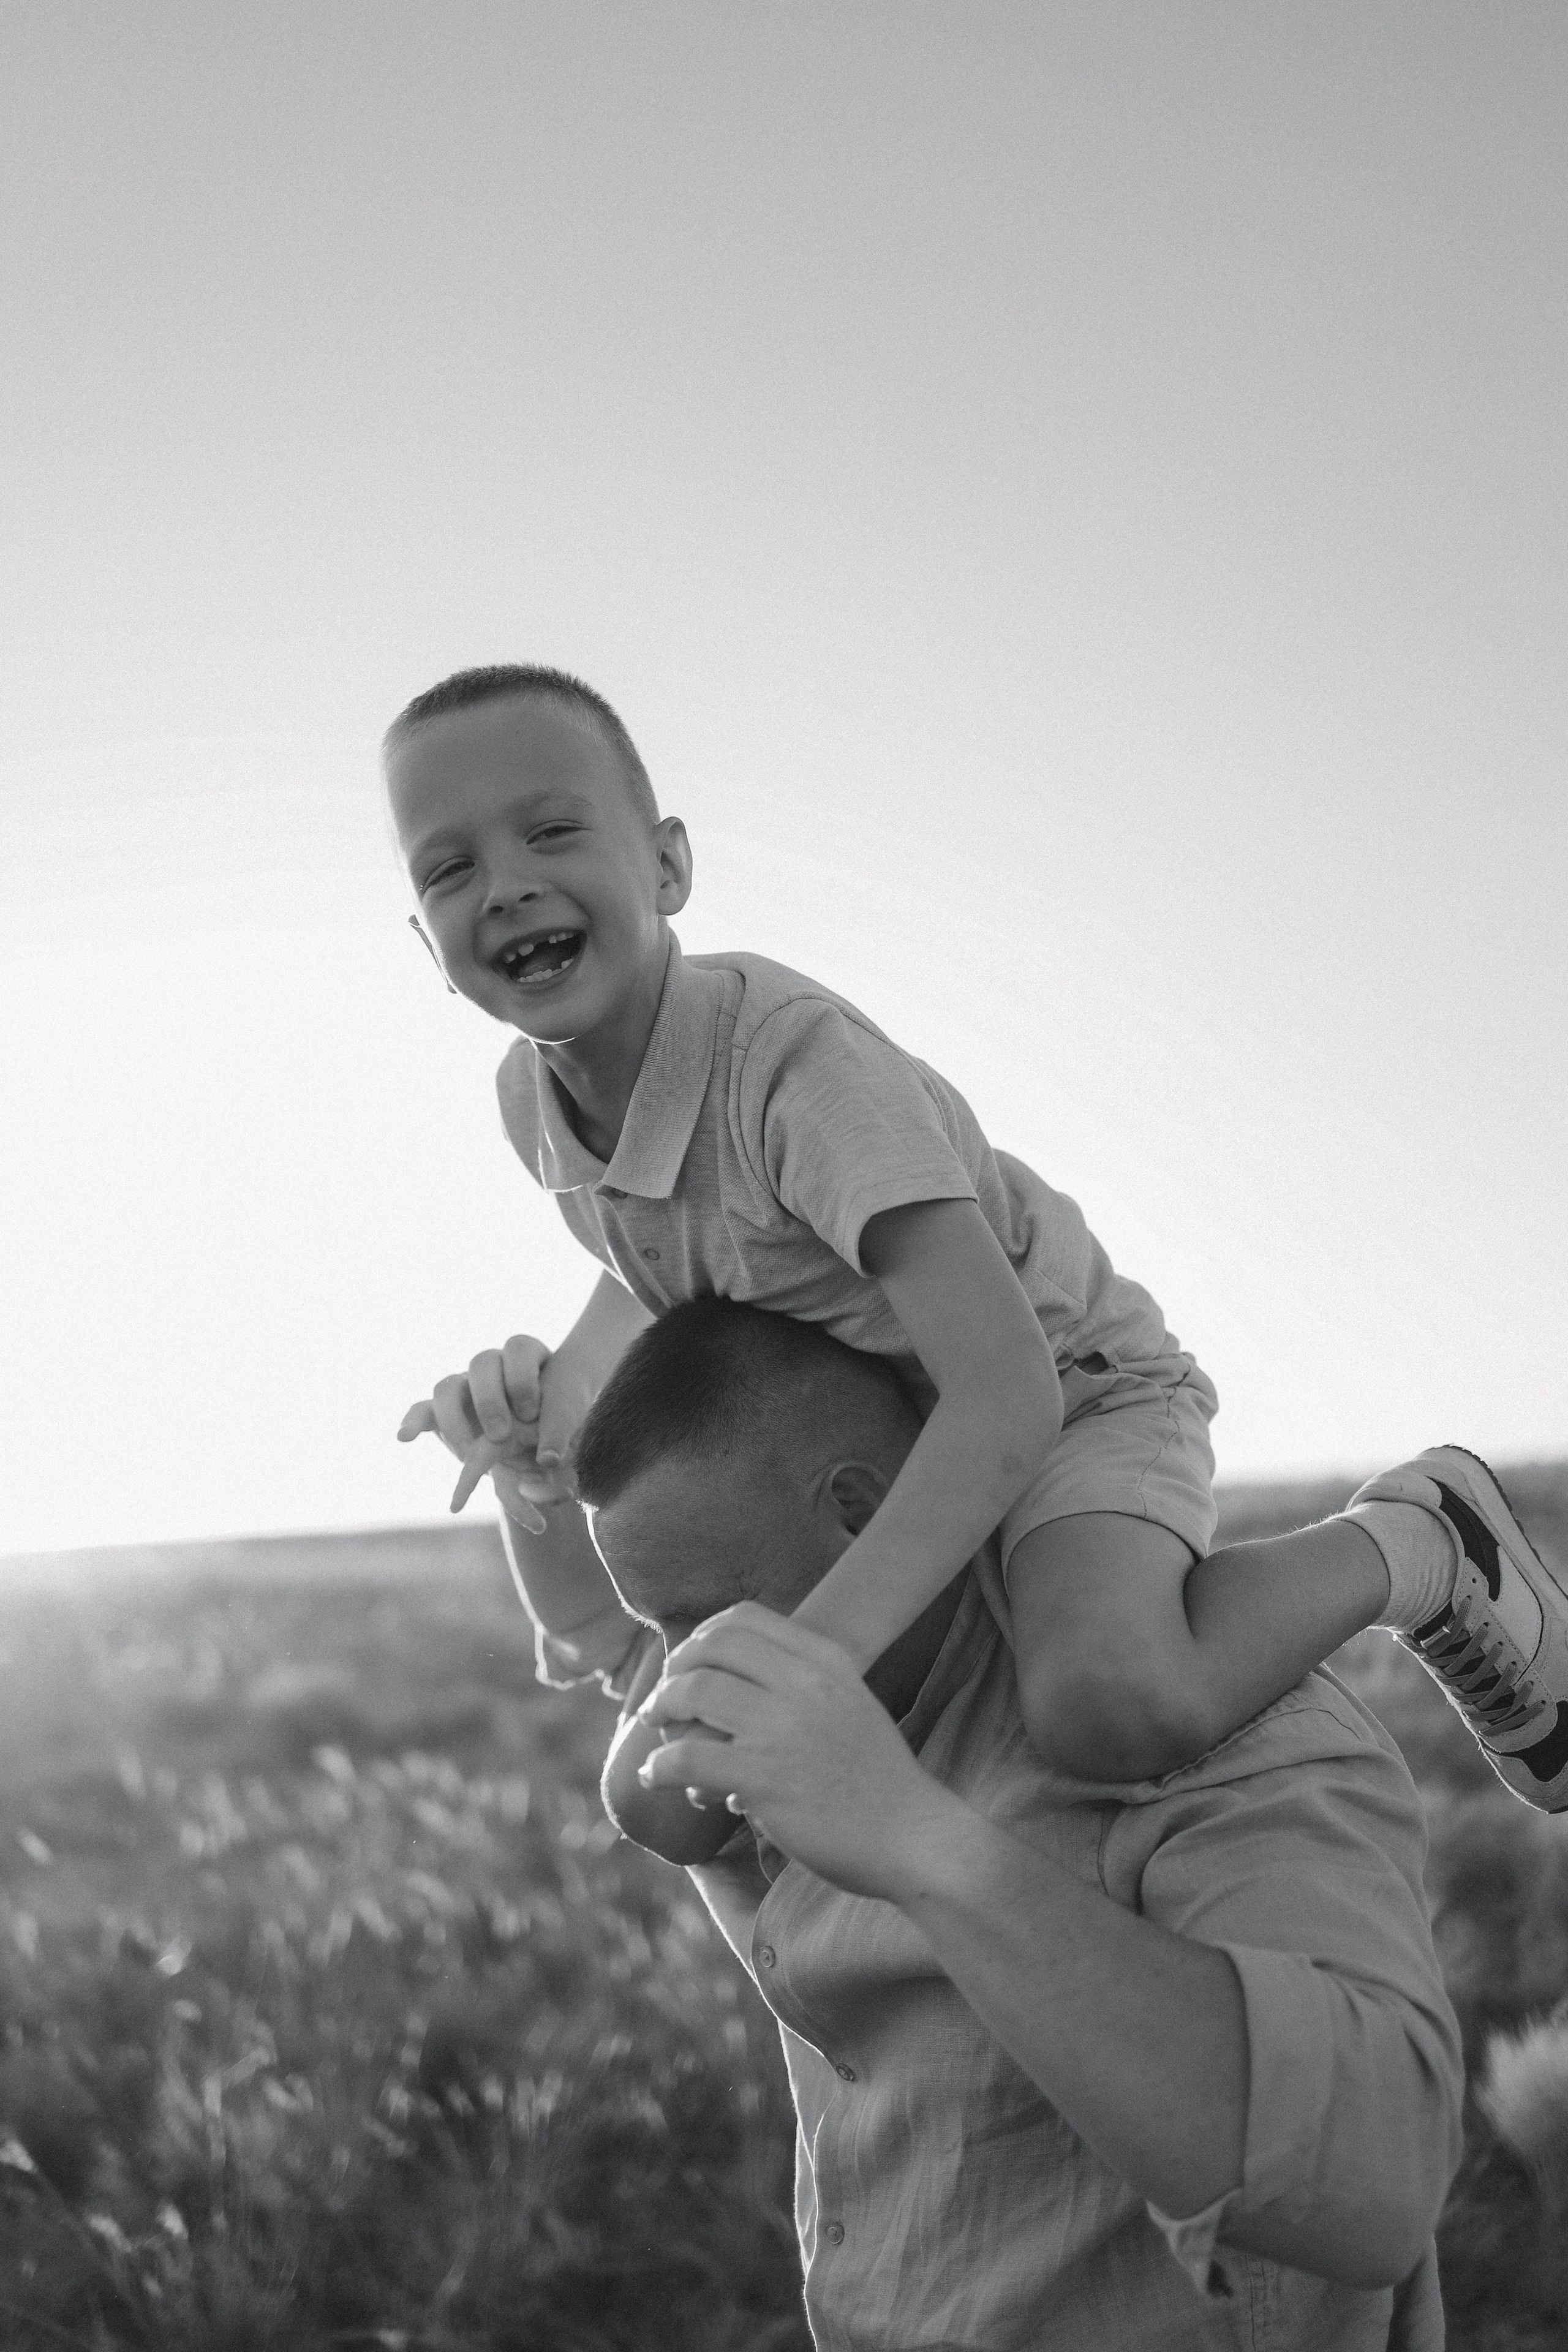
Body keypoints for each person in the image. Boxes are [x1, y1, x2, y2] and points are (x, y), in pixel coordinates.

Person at [390, 661, 1568, 1806]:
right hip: (894, 1429)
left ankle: (1417, 1540)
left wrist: (825, 1655)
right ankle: (836, 1994)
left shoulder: (797, 1078)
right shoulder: (530, 1103)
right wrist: (547, 1422)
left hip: (1068, 1392)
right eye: (452, 867)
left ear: (668, 864)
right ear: (424, 943)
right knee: (668, 1792)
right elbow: (650, 1263)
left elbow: (1008, 1394)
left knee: (1109, 1703)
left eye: (552, 833)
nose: (505, 886)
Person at [428, 1297, 1466, 2349]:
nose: (677, 1678)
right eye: (667, 1630)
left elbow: (1374, 2195)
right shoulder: (770, 1657)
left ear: (858, 1506)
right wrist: (533, 1477)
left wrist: (924, 1846)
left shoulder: (1209, 1723)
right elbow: (612, 1648)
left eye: (703, 1620)